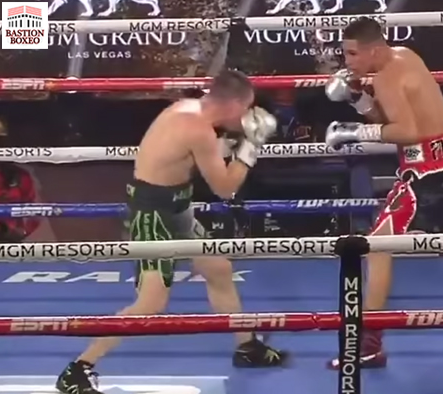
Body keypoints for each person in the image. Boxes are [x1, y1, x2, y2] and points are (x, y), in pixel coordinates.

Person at [56, 70, 288, 394]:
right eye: (247, 108)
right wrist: (250, 147)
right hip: (153, 213)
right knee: (150, 302)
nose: (249, 115)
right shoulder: (198, 130)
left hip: (177, 206)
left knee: (218, 269)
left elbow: (195, 156)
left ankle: (247, 346)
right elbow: (225, 188)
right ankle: (78, 369)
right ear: (234, 104)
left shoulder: (187, 109)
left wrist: (234, 141)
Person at [323, 17, 443, 369]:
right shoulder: (405, 55)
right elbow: (392, 118)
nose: (348, 61)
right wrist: (359, 99)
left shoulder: (387, 77)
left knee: (377, 247)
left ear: (374, 49)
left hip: (426, 174)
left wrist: (353, 131)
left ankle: (369, 343)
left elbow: (406, 132)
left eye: (353, 53)